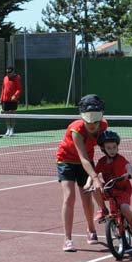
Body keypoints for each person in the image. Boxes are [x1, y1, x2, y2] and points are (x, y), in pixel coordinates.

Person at [55, 94, 107, 252]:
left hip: (87, 161)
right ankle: (67, 239)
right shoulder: (76, 129)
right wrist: (94, 177)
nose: (92, 125)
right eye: (88, 121)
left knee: (87, 198)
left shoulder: (103, 126)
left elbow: (106, 149)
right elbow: (83, 157)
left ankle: (91, 229)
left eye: (95, 121)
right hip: (66, 160)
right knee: (69, 197)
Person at [89, 130, 132, 242]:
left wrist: (128, 174)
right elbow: (94, 173)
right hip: (109, 188)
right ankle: (103, 209)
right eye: (109, 148)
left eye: (114, 147)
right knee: (95, 187)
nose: (112, 150)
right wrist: (87, 183)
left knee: (124, 209)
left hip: (123, 190)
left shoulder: (120, 159)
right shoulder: (102, 161)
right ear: (103, 149)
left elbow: (128, 166)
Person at [0, 66, 23, 136]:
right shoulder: (5, 78)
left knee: (12, 115)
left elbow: (19, 89)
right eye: (7, 72)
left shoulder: (17, 78)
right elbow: (3, 89)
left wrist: (15, 95)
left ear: (13, 72)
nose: (8, 73)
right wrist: (1, 99)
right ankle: (8, 128)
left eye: (9, 72)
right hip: (5, 100)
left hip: (13, 100)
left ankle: (12, 129)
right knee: (6, 115)